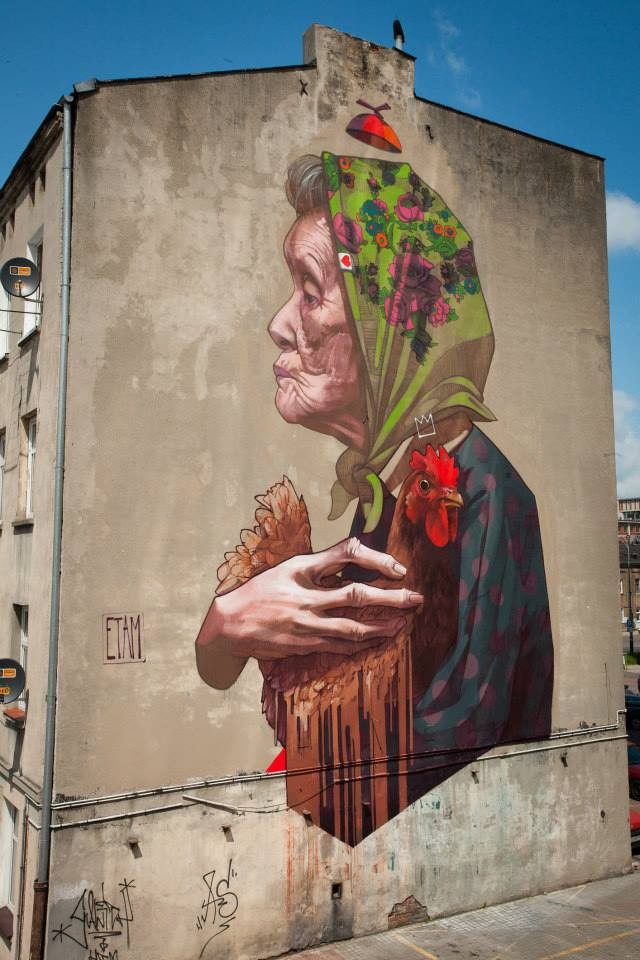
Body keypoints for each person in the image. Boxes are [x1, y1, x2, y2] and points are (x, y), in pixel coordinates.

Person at [196, 152, 553, 837]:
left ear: (387, 331)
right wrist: (228, 626)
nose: (279, 323)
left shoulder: (484, 494)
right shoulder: (384, 491)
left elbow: (450, 735)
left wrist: (285, 813)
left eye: (309, 292)